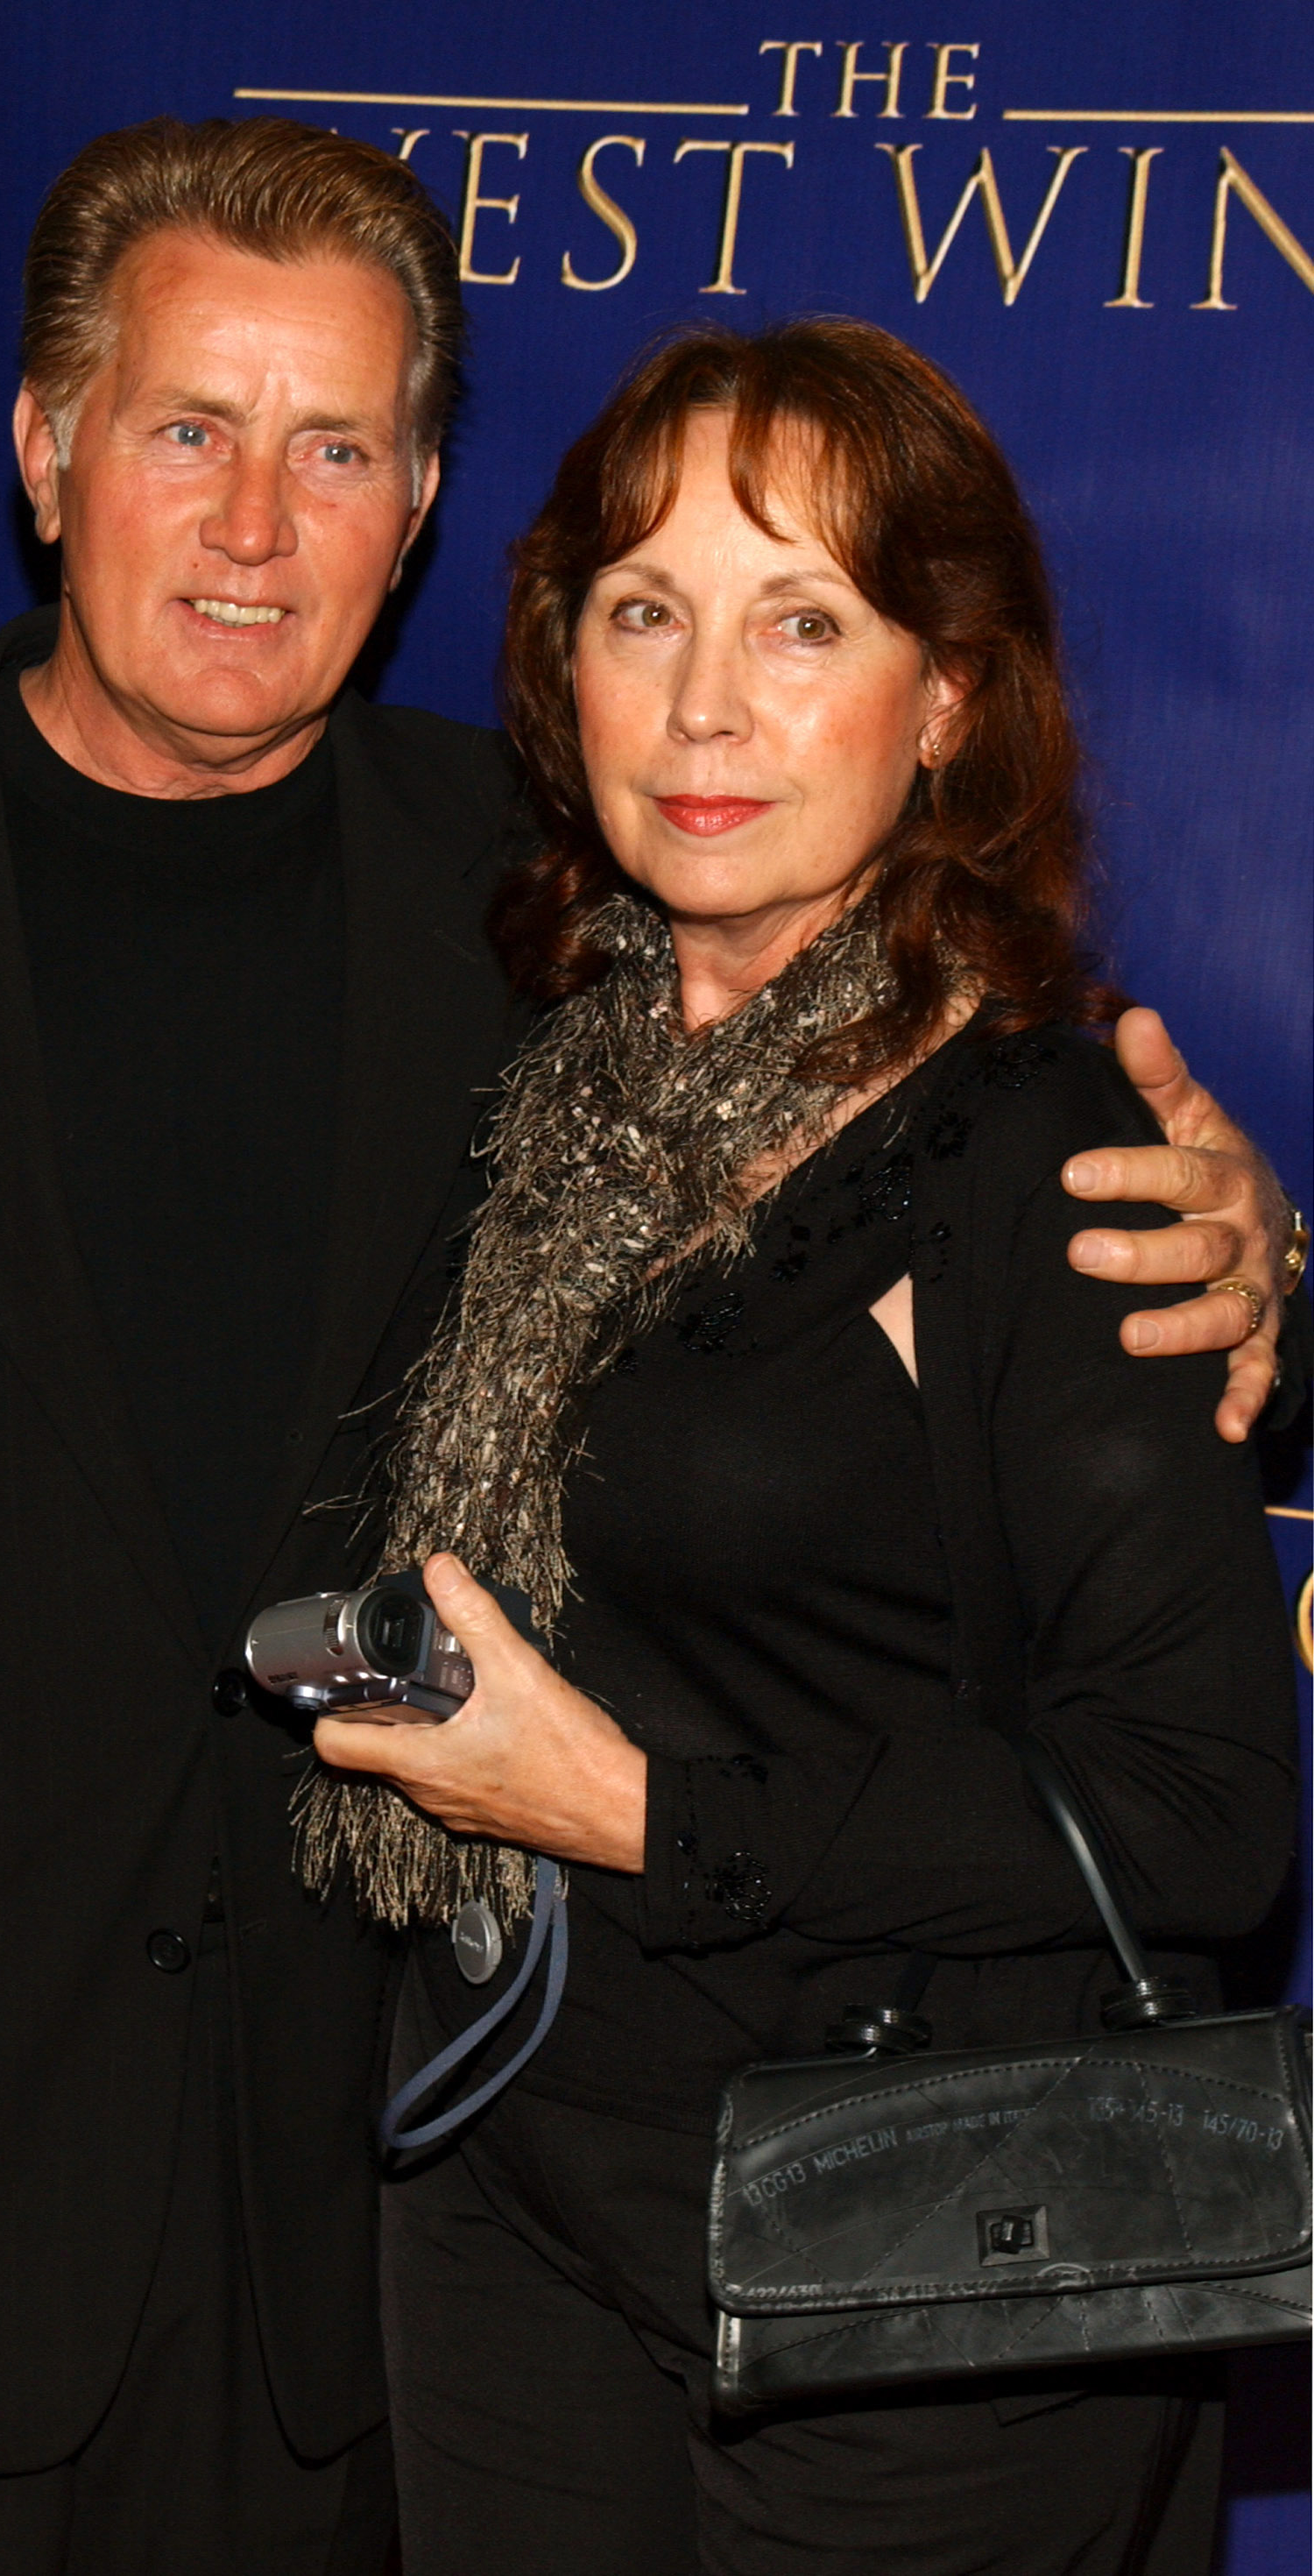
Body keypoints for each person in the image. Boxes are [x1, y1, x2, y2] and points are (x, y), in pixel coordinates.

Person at [0, 121, 1296, 2576]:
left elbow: (930, 1119)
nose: (252, 525)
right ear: (41, 446)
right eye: (188, 429)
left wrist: (1248, 1233)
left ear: (416, 507)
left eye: (336, 452)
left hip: (359, 2221)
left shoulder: (528, 916)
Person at [307, 318, 1302, 2576]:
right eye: (644, 612)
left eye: (804, 620)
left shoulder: (1048, 1160)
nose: (707, 704)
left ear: (948, 696)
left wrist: (637, 1813)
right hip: (513, 2201)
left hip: (918, 2260)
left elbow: (1205, 1813)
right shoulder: (548, 1076)